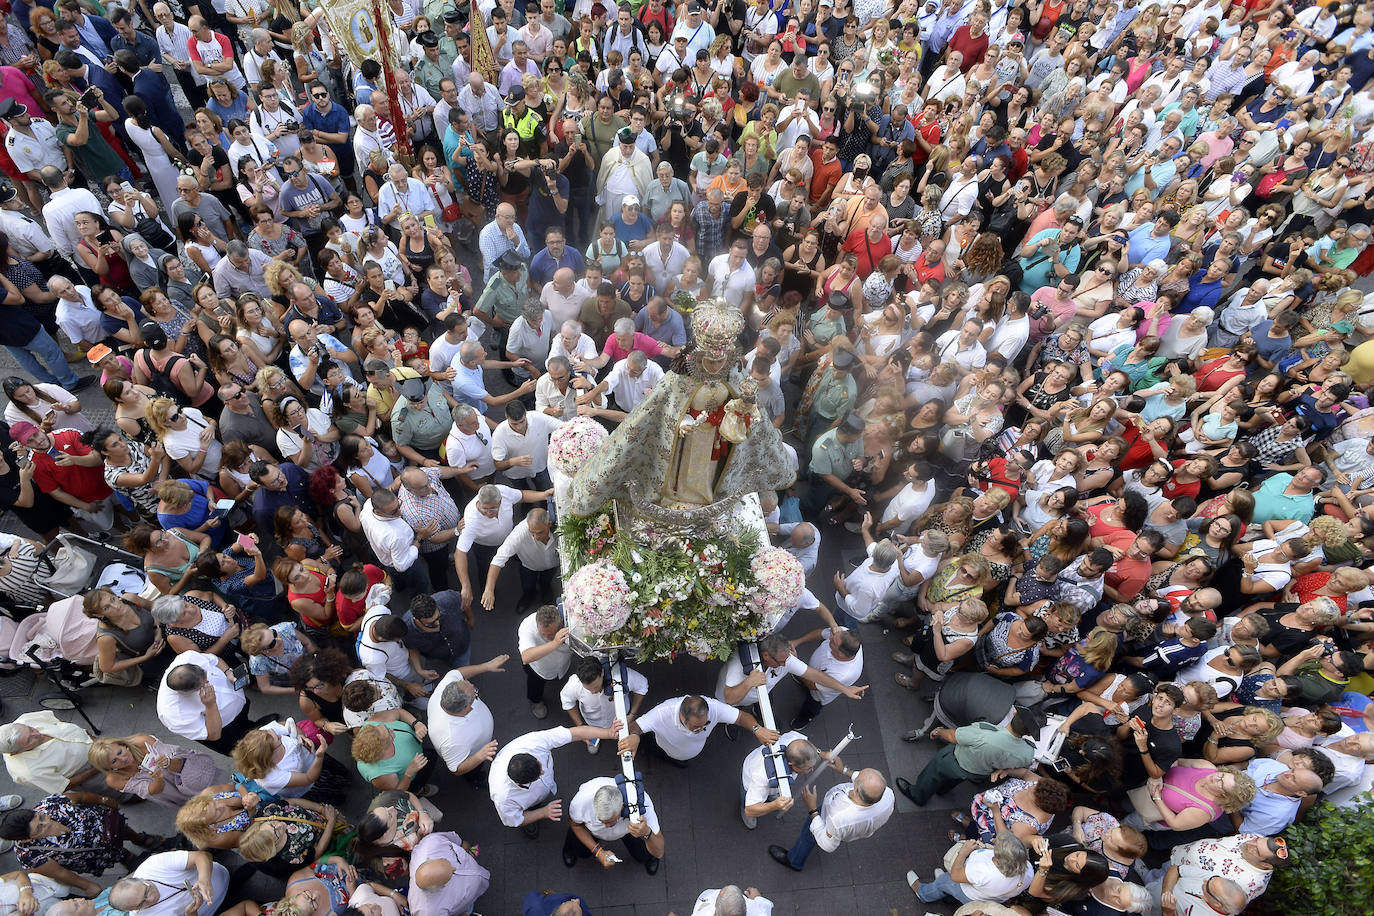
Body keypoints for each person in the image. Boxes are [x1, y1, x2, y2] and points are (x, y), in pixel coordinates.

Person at [490, 723, 623, 834]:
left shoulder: (533, 743)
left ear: (527, 753)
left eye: (540, 765)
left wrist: (608, 733)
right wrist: (543, 812)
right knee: (528, 813)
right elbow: (514, 819)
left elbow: (574, 733)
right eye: (539, 776)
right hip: (527, 805)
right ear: (521, 783)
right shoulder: (504, 798)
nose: (543, 771)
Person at [563, 776, 666, 874]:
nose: (606, 826)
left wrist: (647, 833)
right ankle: (570, 849)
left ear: (622, 807)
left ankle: (649, 858)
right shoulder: (581, 801)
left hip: (629, 829)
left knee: (644, 855)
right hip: (592, 830)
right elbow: (575, 824)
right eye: (602, 821)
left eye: (609, 822)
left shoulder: (643, 806)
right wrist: (598, 852)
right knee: (581, 852)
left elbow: (660, 852)